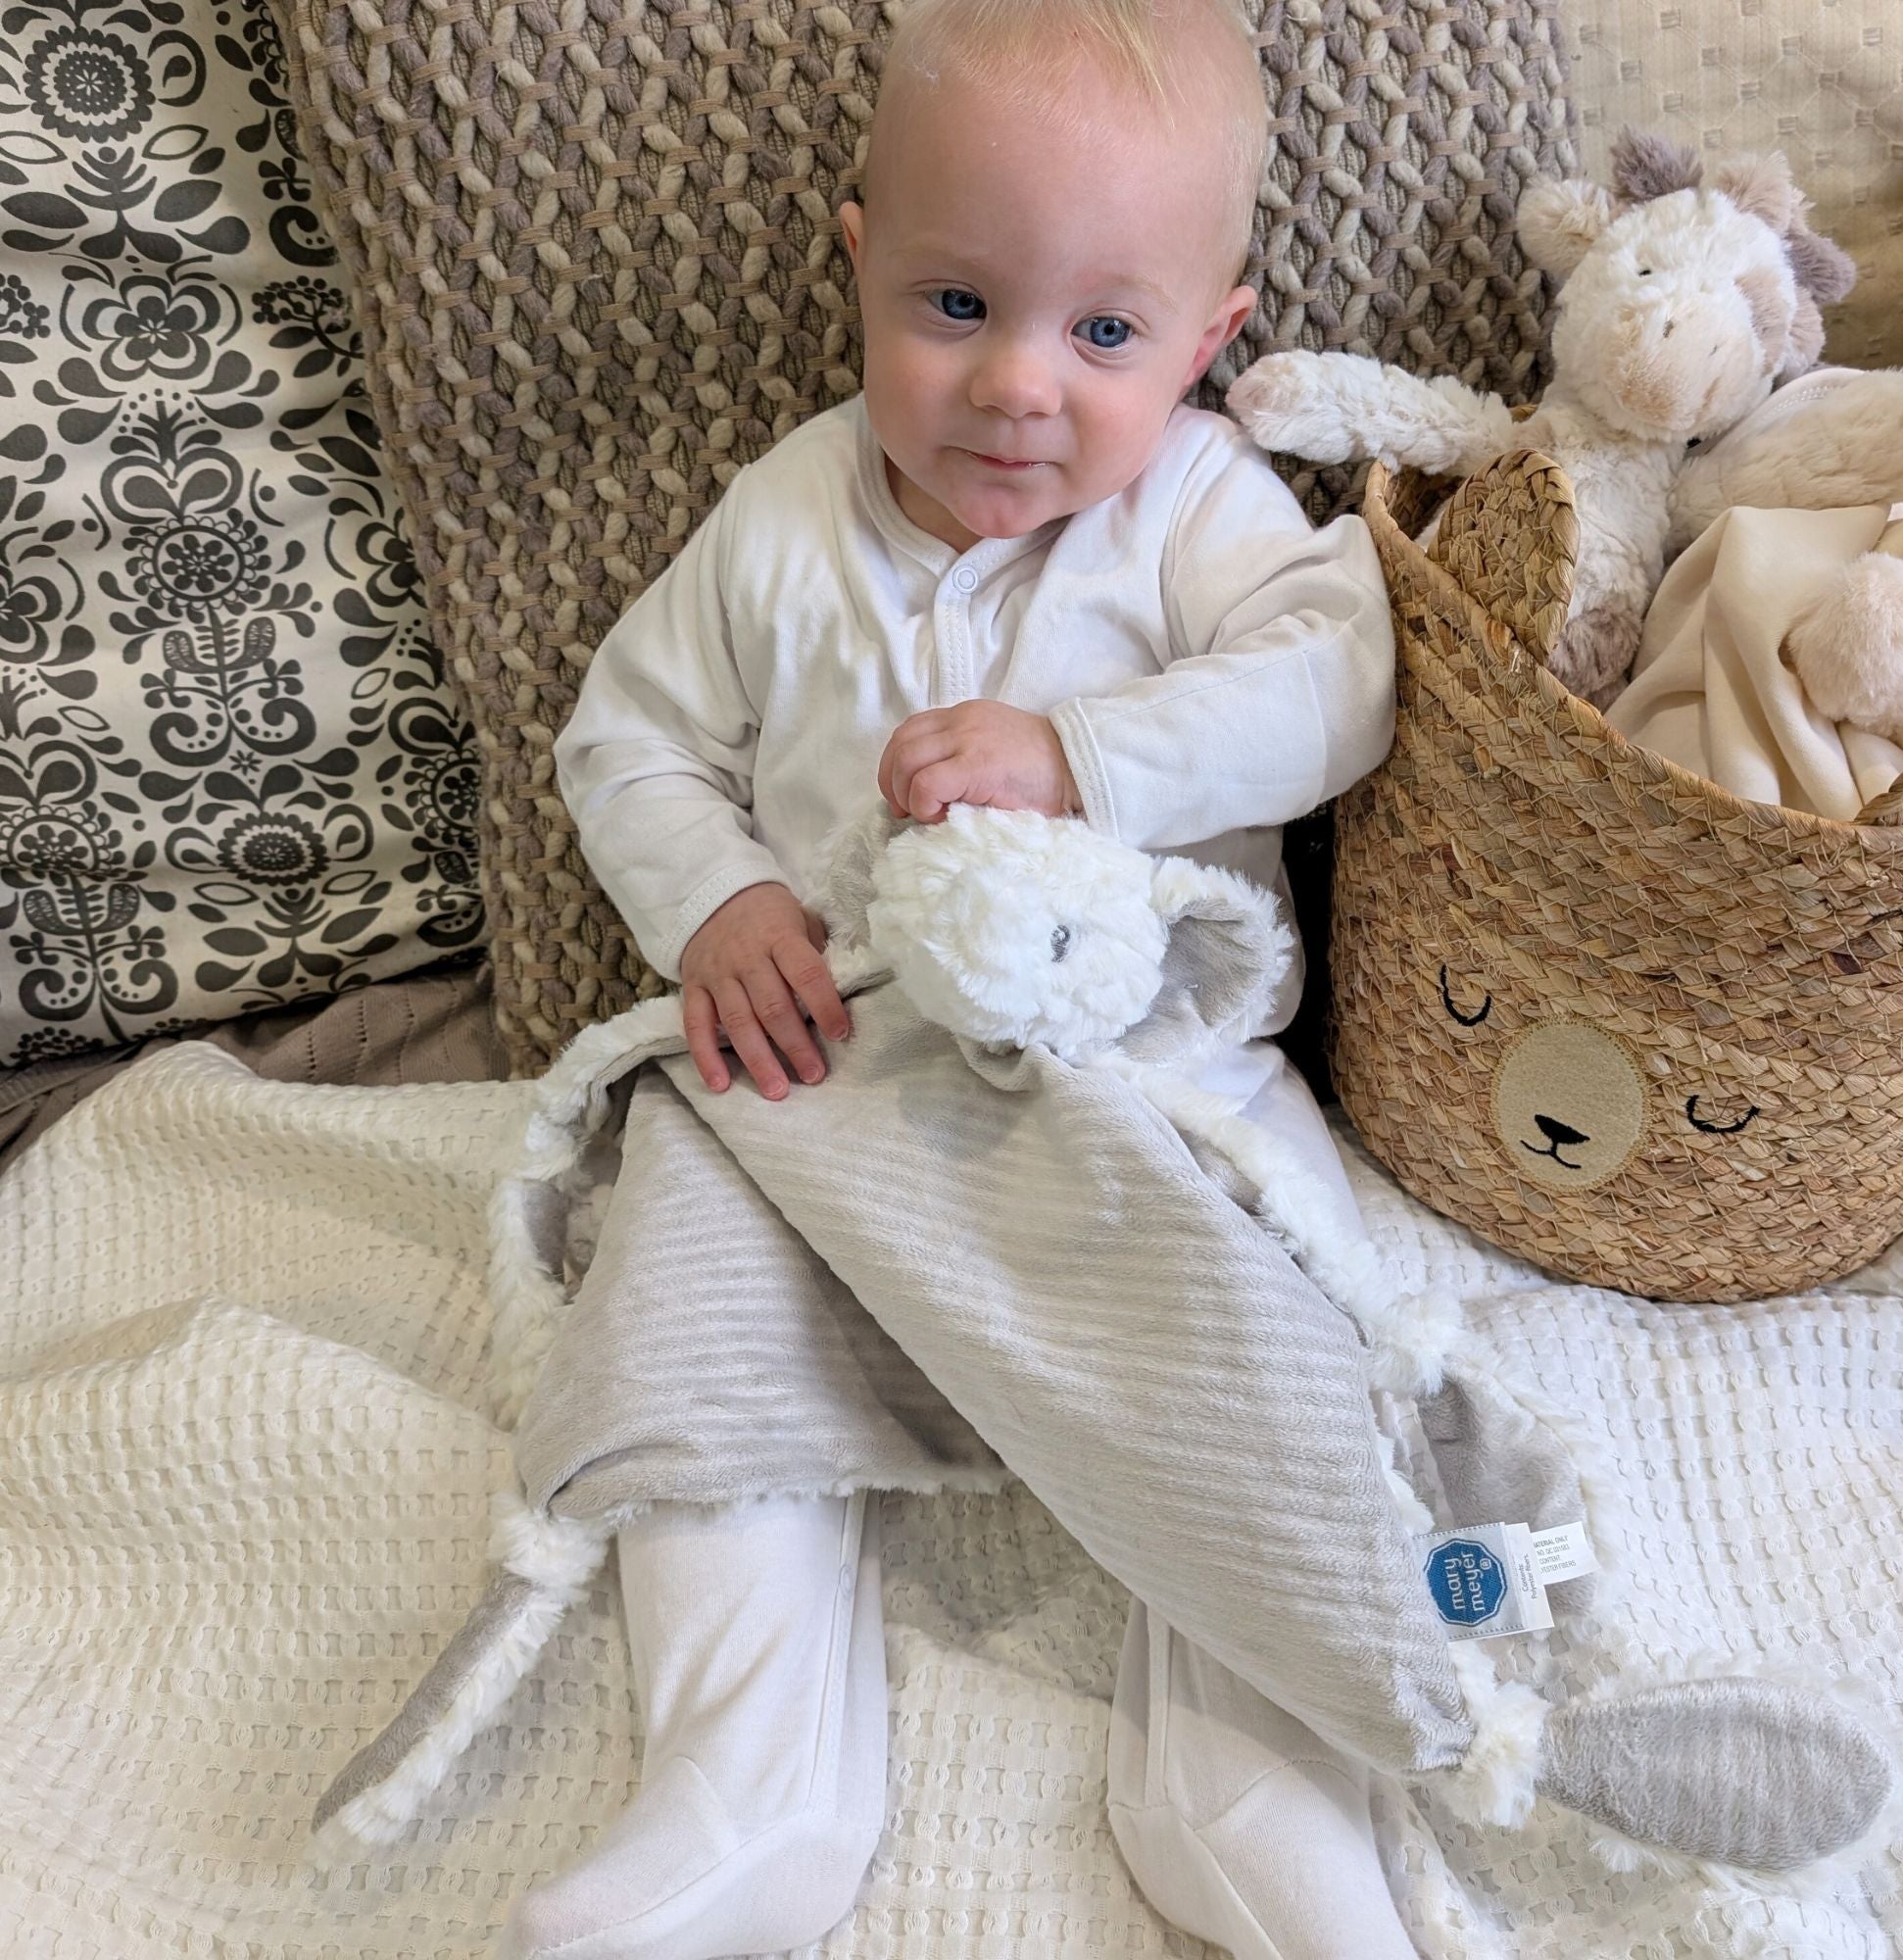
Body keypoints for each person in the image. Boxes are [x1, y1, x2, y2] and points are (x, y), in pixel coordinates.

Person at [505, 1, 1414, 1955]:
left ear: (1210, 338)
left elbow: (1338, 683)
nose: (1015, 388)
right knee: (690, 1283)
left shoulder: (1196, 513)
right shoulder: (780, 521)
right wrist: (720, 902)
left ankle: (1252, 1779)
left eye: (1102, 332)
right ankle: (749, 1790)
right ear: (855, 260)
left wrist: (1087, 759)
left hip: (1147, 1079)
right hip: (837, 1073)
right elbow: (626, 741)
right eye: (951, 301)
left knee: (1288, 1348)